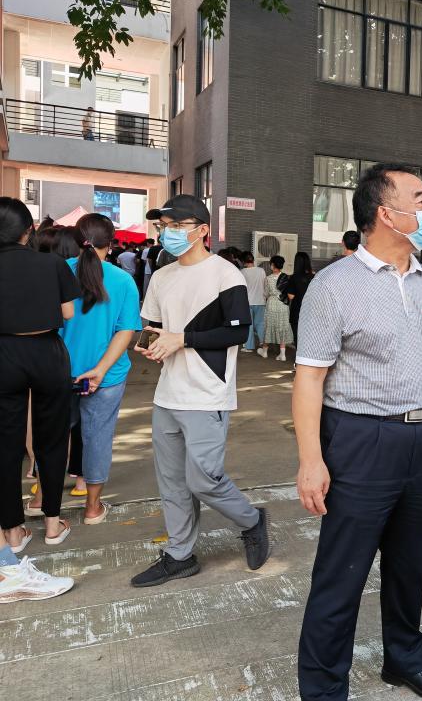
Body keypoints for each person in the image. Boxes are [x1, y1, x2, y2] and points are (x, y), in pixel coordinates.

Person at [294, 163, 422, 701]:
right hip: (359, 440)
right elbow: (310, 377)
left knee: (409, 564)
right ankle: (323, 689)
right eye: (420, 199)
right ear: (385, 213)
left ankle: (405, 659)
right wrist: (311, 460)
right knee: (342, 573)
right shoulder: (334, 285)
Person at [129, 194, 269, 587]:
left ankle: (252, 520)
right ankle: (180, 555)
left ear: (203, 230)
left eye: (177, 226)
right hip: (167, 394)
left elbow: (237, 332)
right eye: (164, 227)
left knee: (204, 479)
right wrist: (150, 342)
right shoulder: (162, 276)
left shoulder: (225, 274)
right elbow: (154, 325)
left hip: (207, 394)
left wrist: (183, 339)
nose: (168, 233)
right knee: (172, 483)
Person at [0, 197, 80, 553]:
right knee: (52, 439)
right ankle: (51, 523)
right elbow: (68, 313)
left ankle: (13, 532)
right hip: (46, 351)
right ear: (28, 230)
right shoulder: (52, 263)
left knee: (6, 444)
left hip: (3, 352)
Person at [57, 213, 142, 524]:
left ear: (76, 239)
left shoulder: (57, 272)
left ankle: (41, 500)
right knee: (98, 438)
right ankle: (92, 508)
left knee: (52, 435)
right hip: (106, 377)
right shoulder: (123, 280)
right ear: (112, 242)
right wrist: (101, 369)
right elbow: (126, 331)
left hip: (59, 372)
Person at [261, 255, 293, 361]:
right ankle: (282, 354)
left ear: (272, 265)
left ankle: (264, 352)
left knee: (269, 326)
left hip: (271, 303)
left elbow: (266, 293)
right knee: (282, 327)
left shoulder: (268, 278)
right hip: (283, 304)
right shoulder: (286, 277)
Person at [285, 252, 314, 348]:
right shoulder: (314, 277)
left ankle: (299, 356)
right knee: (309, 337)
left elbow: (291, 296)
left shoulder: (294, 277)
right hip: (311, 311)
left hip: (297, 311)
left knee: (298, 337)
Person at [240, 252, 267, 353]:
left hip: (247, 301)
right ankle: (263, 344)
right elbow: (265, 284)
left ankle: (249, 347)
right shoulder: (261, 271)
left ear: (243, 261)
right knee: (260, 323)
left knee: (249, 325)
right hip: (260, 300)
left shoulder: (242, 272)